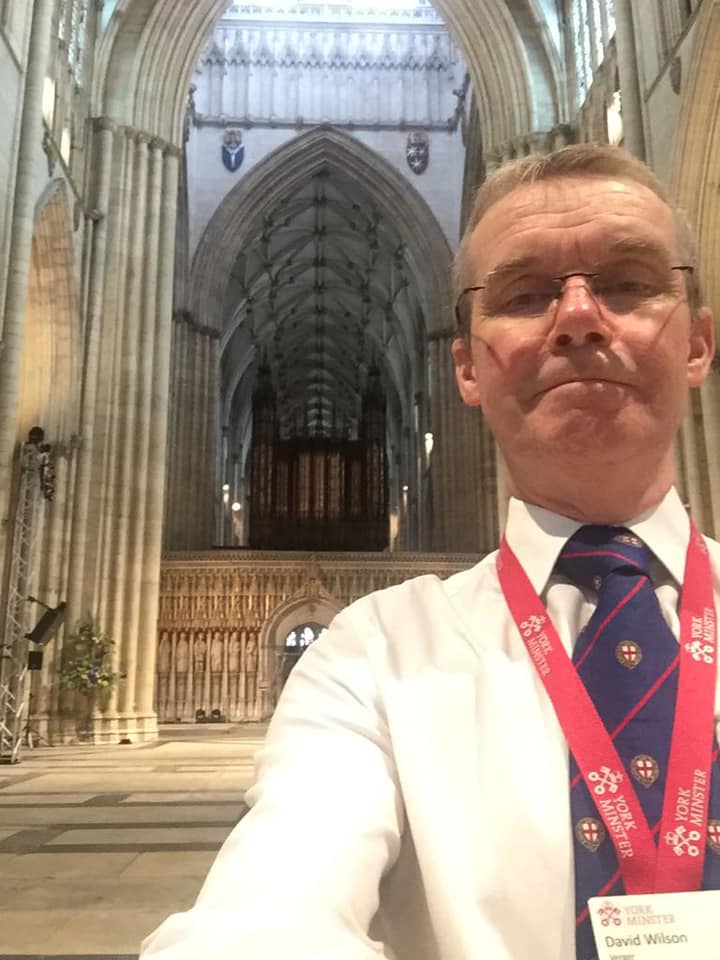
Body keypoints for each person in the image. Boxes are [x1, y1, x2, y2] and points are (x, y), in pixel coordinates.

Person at [141, 143, 718, 960]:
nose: (580, 316)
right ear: (466, 368)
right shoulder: (370, 661)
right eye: (524, 294)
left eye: (627, 283)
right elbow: (269, 907)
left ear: (697, 343)